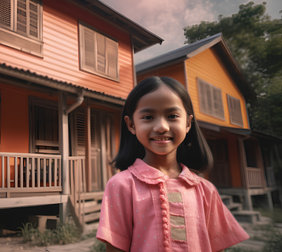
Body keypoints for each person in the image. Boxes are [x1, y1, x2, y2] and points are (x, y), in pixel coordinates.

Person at [96, 76, 249, 251]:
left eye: (172, 116)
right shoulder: (121, 186)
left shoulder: (206, 190)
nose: (162, 126)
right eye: (148, 117)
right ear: (131, 124)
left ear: (188, 123)